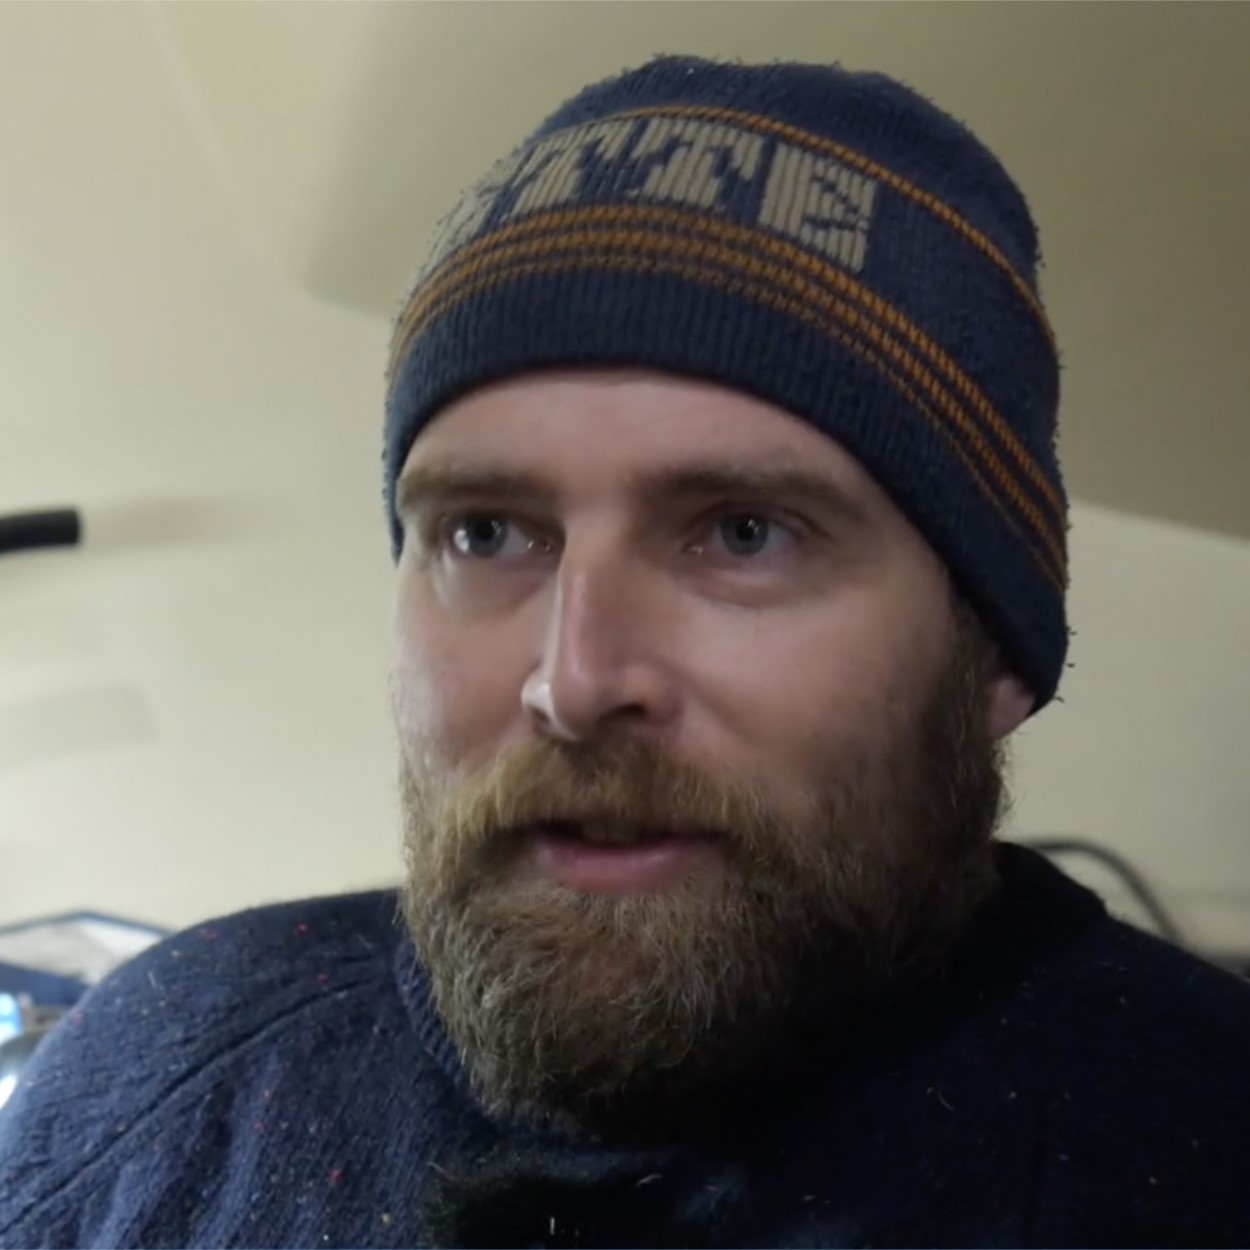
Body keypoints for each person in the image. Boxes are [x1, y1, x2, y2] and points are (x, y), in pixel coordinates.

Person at [1, 54, 1247, 1250]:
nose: (575, 680)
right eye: (487, 532)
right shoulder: (152, 1083)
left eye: (744, 533)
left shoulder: (1190, 1154)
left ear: (993, 653)